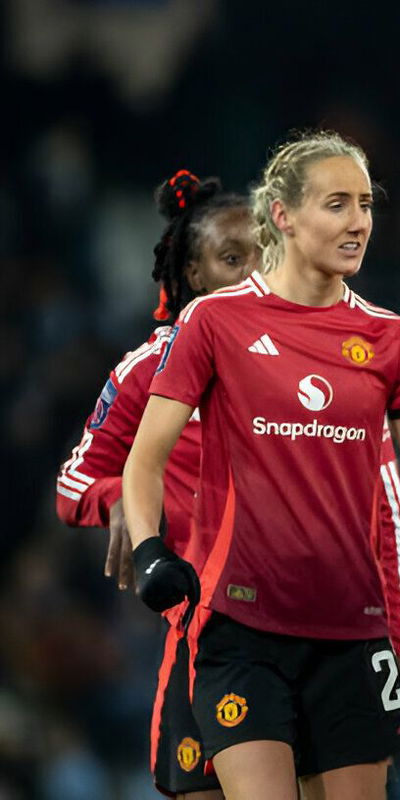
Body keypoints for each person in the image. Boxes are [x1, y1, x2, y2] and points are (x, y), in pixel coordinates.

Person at [120, 132, 400, 800]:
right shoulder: (214, 322)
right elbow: (145, 462)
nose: (359, 221)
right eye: (337, 204)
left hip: (357, 635)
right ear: (283, 215)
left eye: (366, 204)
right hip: (241, 633)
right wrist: (152, 551)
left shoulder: (391, 338)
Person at [56, 170, 255, 799]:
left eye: (262, 255)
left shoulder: (313, 355)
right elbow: (75, 483)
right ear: (194, 276)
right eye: (231, 258)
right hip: (206, 627)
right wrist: (121, 499)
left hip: (313, 624)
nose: (252, 272)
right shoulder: (149, 368)